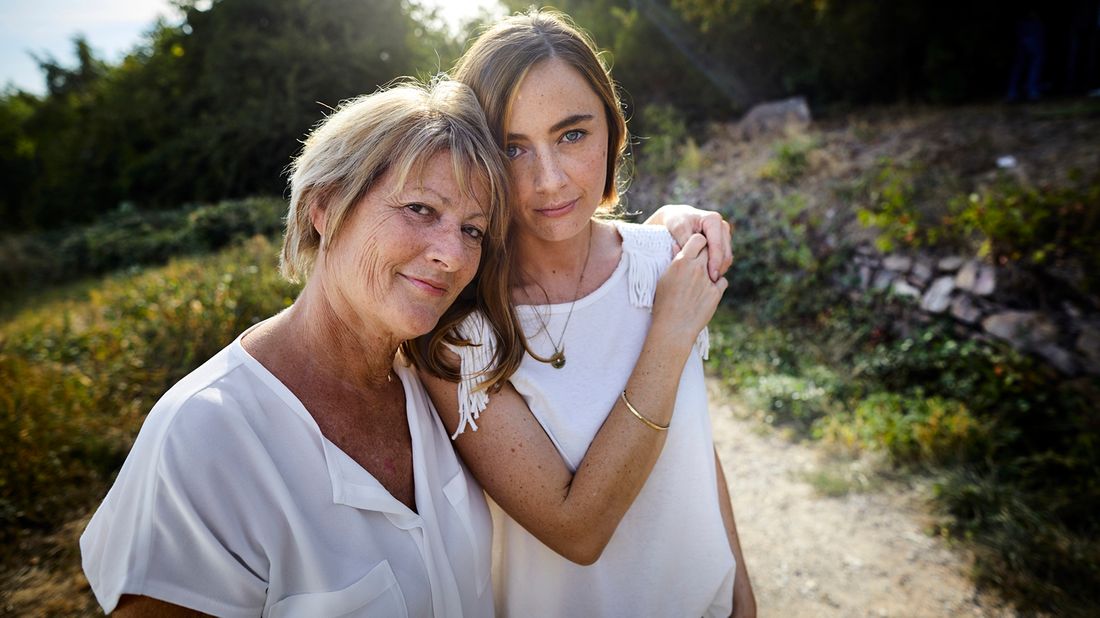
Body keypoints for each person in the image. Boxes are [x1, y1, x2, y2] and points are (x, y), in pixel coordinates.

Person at [79, 78, 516, 617]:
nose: (451, 254)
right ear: (326, 208)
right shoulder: (205, 434)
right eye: (421, 209)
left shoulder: (440, 388)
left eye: (473, 231)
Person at [419, 9, 756, 618]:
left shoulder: (666, 263)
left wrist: (741, 592)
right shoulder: (461, 338)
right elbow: (576, 532)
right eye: (513, 147)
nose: (549, 180)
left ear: (612, 130)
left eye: (572, 134)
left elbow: (692, 441)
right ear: (479, 159)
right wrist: (670, 333)